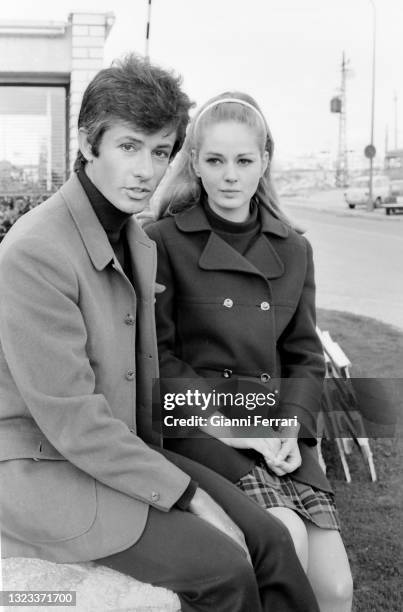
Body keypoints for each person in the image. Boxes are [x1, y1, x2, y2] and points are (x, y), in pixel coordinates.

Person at [0, 56, 320, 612]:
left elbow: (150, 380)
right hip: (50, 470)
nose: (147, 169)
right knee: (225, 566)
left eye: (160, 150)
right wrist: (189, 494)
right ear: (87, 143)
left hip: (130, 450)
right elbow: (74, 423)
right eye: (129, 146)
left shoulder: (136, 239)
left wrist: (228, 432)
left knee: (270, 539)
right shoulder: (34, 253)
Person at [146, 92, 354, 612]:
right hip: (202, 429)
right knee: (287, 542)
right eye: (215, 160)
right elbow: (160, 359)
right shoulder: (162, 241)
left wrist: (288, 426)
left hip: (278, 430)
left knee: (336, 588)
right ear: (194, 163)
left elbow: (304, 355)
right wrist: (239, 429)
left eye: (243, 160)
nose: (230, 176)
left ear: (265, 160)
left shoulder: (294, 248)